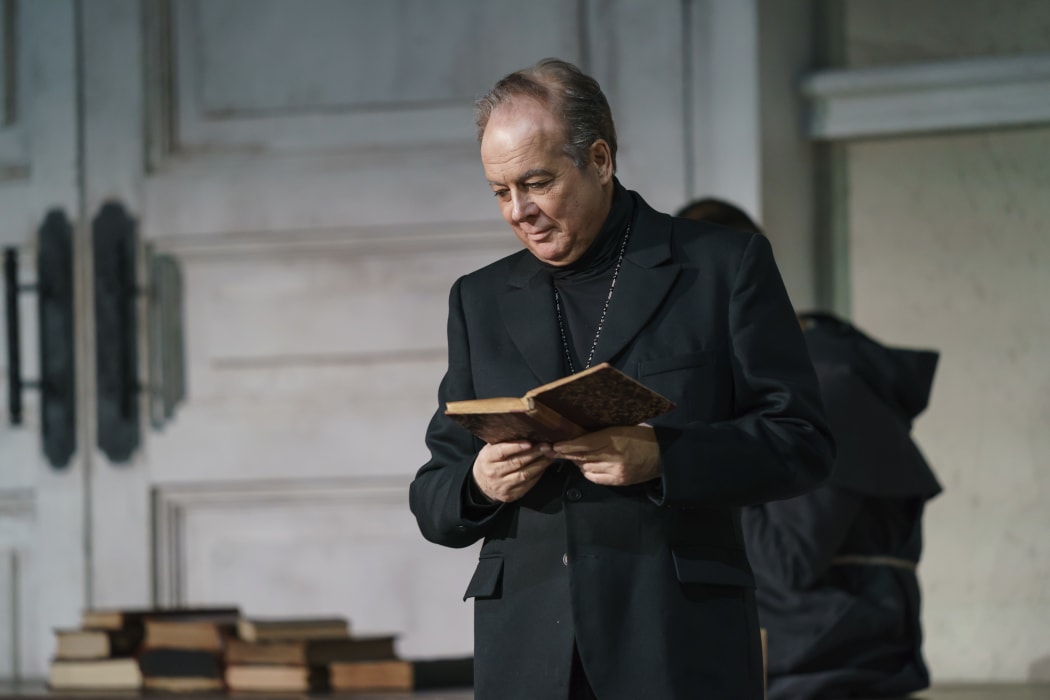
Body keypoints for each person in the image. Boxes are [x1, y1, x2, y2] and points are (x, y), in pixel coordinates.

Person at [408, 58, 835, 700]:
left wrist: (665, 457)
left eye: (537, 182)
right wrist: (478, 483)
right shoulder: (479, 298)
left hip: (676, 645)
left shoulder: (721, 267)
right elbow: (433, 495)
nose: (519, 211)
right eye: (500, 191)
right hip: (527, 654)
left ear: (600, 160)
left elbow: (801, 442)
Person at [678, 197, 942, 698]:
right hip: (812, 656)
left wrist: (714, 449)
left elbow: (787, 563)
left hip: (829, 667)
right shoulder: (800, 373)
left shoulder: (823, 386)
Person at [741, 312, 942, 700]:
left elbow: (787, 561)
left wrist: (722, 474)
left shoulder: (823, 395)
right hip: (845, 651)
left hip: (823, 662)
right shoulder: (842, 386)